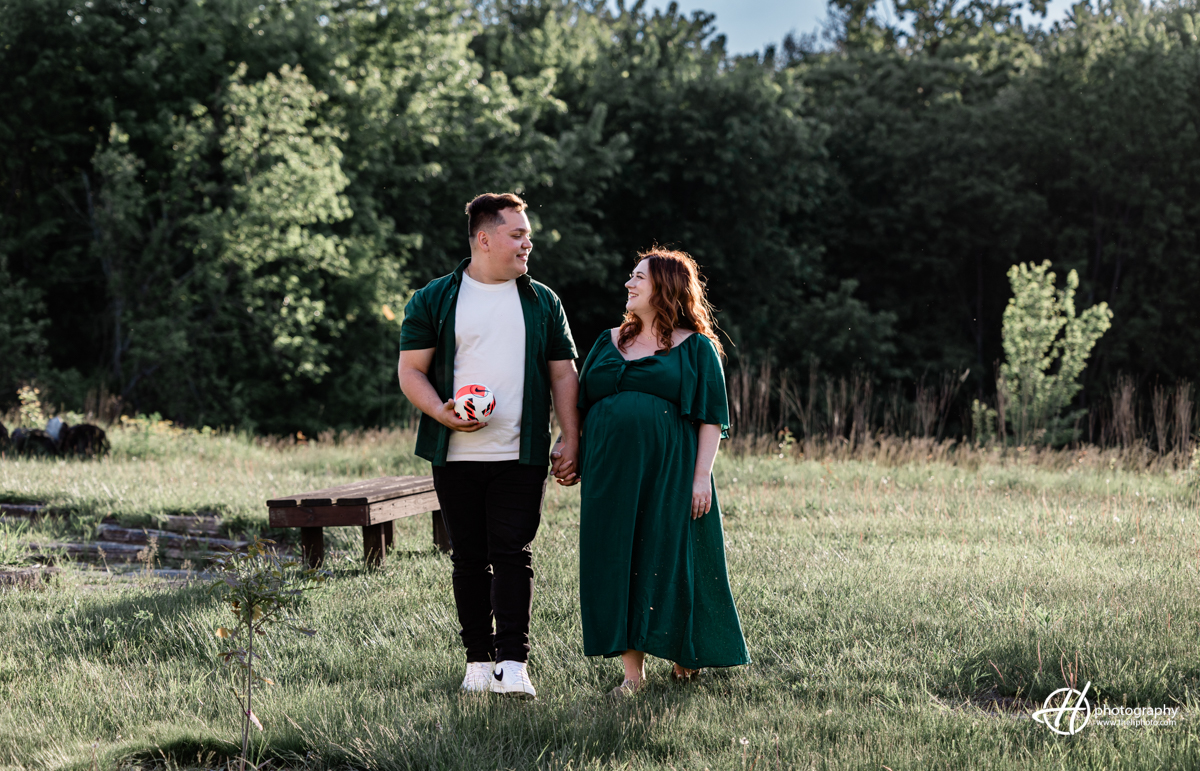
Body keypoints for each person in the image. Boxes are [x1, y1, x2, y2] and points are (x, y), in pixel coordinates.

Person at [398, 192, 580, 699]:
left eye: (528, 236)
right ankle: (477, 663)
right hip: (454, 455)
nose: (527, 244)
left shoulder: (543, 301)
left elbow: (564, 373)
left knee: (514, 554)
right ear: (484, 238)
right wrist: (441, 413)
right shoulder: (433, 299)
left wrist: (571, 436)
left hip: (520, 456)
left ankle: (514, 664)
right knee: (468, 559)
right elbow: (410, 372)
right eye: (517, 235)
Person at [575, 248, 750, 696]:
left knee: (667, 554)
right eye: (630, 276)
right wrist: (568, 443)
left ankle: (682, 649)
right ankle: (632, 675)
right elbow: (581, 401)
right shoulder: (607, 340)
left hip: (669, 471)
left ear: (665, 287)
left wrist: (699, 477)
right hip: (610, 474)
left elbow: (712, 417)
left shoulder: (696, 348)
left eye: (639, 278)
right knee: (618, 559)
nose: (629, 284)